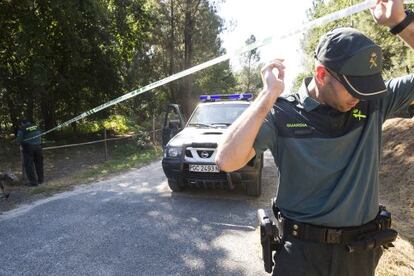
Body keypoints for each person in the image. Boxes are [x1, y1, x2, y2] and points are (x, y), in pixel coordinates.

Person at [215, 0, 414, 275]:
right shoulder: (281, 113)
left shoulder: (373, 101)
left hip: (360, 254)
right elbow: (226, 160)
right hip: (299, 256)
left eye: (367, 87)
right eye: (353, 88)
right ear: (321, 75)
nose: (360, 97)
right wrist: (267, 97)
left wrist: (401, 23)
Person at [16, 119, 44, 187]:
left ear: (22, 123)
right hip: (38, 147)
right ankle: (41, 180)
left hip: (28, 148)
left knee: (29, 165)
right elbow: (40, 135)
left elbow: (18, 141)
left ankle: (33, 183)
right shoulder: (36, 126)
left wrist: (18, 142)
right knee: (39, 164)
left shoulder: (22, 129)